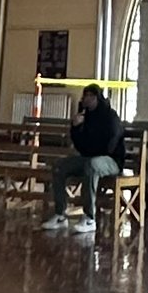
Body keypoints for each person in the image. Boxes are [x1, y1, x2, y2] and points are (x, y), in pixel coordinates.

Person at [43, 84, 124, 228]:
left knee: (91, 165)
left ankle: (89, 218)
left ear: (96, 98)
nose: (85, 99)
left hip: (111, 160)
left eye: (89, 96)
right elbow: (80, 146)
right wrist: (75, 127)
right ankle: (60, 214)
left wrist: (92, 151)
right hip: (88, 158)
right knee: (59, 166)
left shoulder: (110, 116)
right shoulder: (85, 117)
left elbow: (110, 145)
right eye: (85, 96)